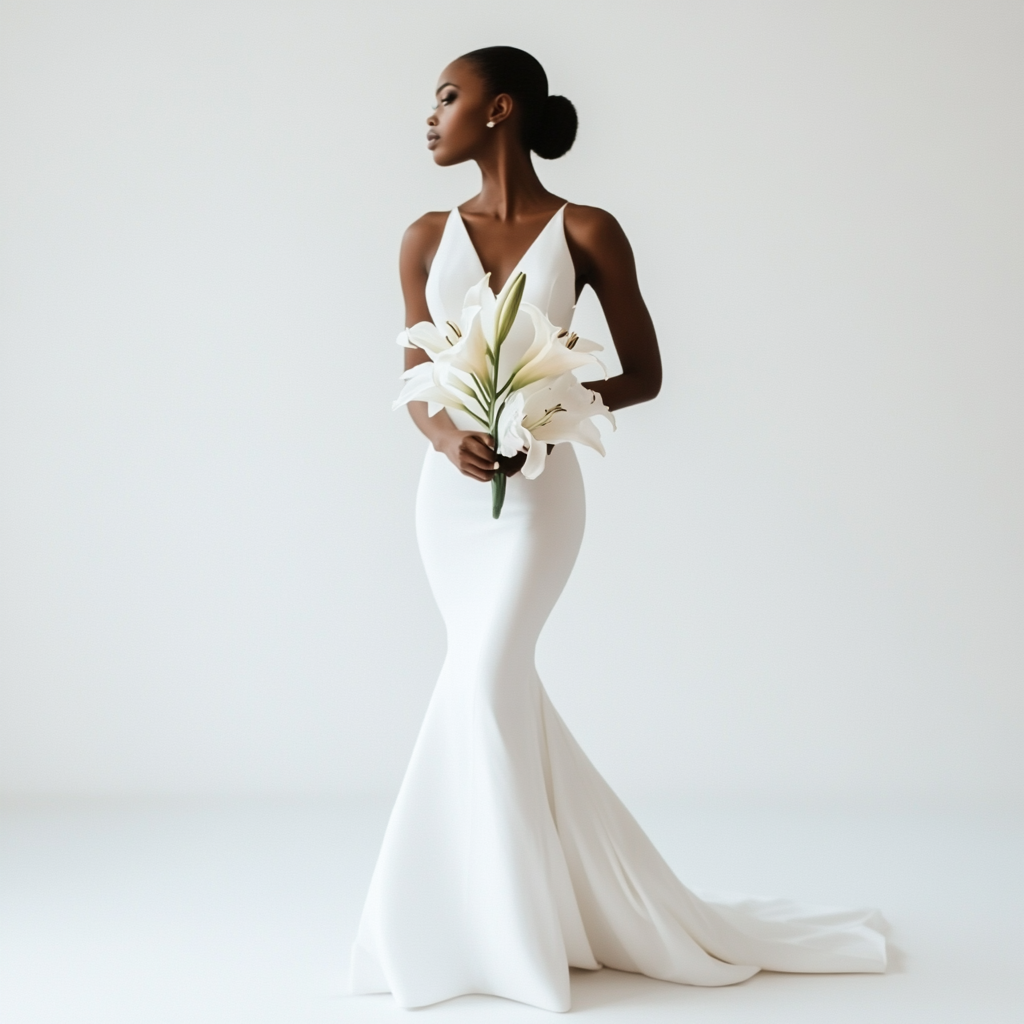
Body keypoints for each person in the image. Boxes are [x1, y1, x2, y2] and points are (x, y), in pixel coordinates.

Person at [350, 46, 887, 1013]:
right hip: (450, 500)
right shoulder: (423, 236)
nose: (429, 117)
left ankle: (478, 931)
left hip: (541, 491)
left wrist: (538, 410)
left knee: (482, 679)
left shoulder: (587, 229)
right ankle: (520, 916)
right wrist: (453, 438)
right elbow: (412, 382)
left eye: (447, 97)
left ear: (500, 108)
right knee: (491, 688)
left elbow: (643, 372)